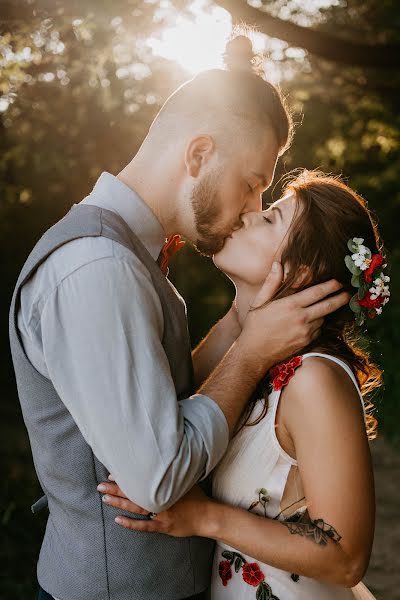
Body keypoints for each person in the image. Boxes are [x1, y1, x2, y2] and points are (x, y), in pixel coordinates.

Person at [9, 34, 348, 600]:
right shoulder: (97, 267)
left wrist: (244, 319)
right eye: (251, 185)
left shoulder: (125, 254)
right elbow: (160, 477)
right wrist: (251, 352)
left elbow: (151, 401)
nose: (250, 211)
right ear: (198, 155)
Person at [99, 171, 388, 600]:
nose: (250, 214)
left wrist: (202, 517)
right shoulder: (260, 361)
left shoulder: (314, 379)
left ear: (298, 272)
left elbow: (346, 557)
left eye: (271, 218)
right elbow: (174, 411)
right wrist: (243, 316)